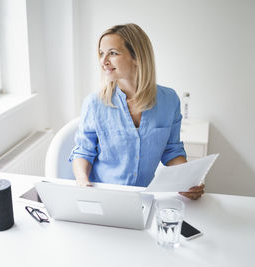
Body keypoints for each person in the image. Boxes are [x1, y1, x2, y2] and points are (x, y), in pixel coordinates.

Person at [69, 23, 204, 200]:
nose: (103, 61)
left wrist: (188, 180)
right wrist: (82, 181)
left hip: (145, 197)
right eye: (101, 53)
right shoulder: (94, 103)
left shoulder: (169, 100)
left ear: (137, 57)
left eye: (113, 53)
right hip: (103, 195)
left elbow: (172, 151)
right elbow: (83, 152)